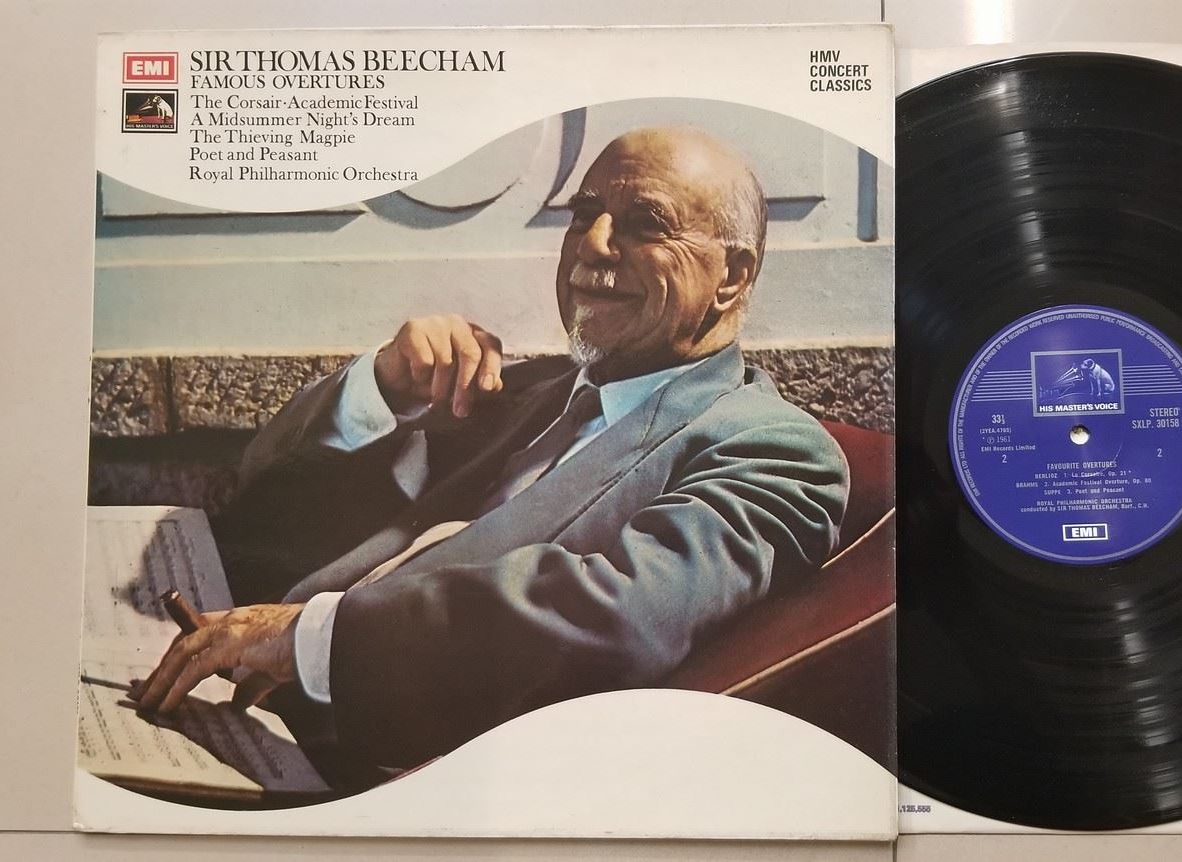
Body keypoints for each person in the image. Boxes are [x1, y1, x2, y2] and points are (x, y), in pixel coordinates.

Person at [129, 127, 851, 772]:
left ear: (732, 276)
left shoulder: (774, 451)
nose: (592, 244)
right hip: (220, 693)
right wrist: (380, 389)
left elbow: (622, 616)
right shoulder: (528, 390)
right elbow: (270, 485)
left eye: (644, 223)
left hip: (372, 773)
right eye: (584, 213)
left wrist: (308, 640)